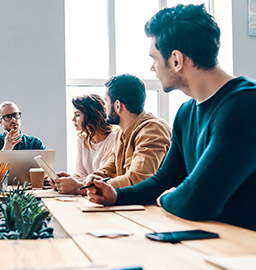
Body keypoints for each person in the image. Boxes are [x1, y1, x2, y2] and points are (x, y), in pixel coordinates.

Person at [86, 4, 256, 231]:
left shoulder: (245, 105)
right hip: (211, 241)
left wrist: (168, 198)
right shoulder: (186, 113)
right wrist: (116, 195)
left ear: (176, 60)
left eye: (154, 58)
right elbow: (164, 180)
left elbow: (197, 201)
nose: (152, 67)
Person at [55, 74, 172, 194]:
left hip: (154, 208)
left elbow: (137, 180)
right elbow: (107, 171)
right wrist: (77, 181)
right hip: (133, 204)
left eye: (106, 102)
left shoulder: (152, 130)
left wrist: (79, 187)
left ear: (117, 105)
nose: (105, 108)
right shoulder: (122, 133)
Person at [50, 94, 116, 193]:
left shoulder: (113, 138)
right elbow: (81, 174)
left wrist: (75, 183)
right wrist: (67, 180)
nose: (73, 119)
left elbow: (103, 177)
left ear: (91, 115)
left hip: (102, 193)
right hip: (87, 192)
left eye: (77, 115)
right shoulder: (82, 140)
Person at [0, 101, 45, 167]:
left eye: (15, 115)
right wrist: (6, 149)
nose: (13, 119)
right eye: (8, 117)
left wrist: (53, 176)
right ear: (0, 122)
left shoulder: (35, 143)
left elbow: (47, 172)